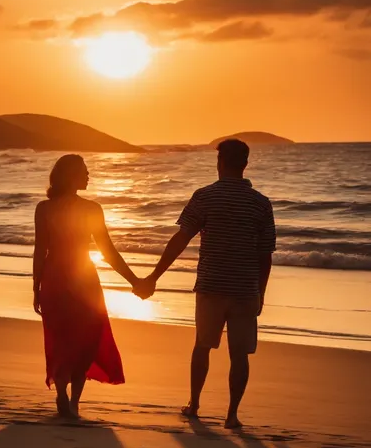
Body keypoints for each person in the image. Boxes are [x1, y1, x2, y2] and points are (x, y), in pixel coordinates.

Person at [134, 139, 276, 428]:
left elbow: (180, 240)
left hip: (211, 285)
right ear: (245, 164)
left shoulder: (205, 197)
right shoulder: (261, 204)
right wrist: (261, 292)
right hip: (245, 289)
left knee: (202, 345)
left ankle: (195, 405)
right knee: (239, 354)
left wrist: (153, 277)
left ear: (220, 162)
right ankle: (232, 415)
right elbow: (265, 255)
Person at [33, 154, 139, 418]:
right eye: (84, 171)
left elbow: (40, 251)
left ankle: (65, 396)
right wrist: (135, 281)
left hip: (56, 277)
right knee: (84, 340)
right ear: (70, 175)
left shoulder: (45, 209)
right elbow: (109, 252)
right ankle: (72, 402)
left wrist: (36, 286)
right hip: (82, 278)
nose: (88, 175)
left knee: (64, 339)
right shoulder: (91, 209)